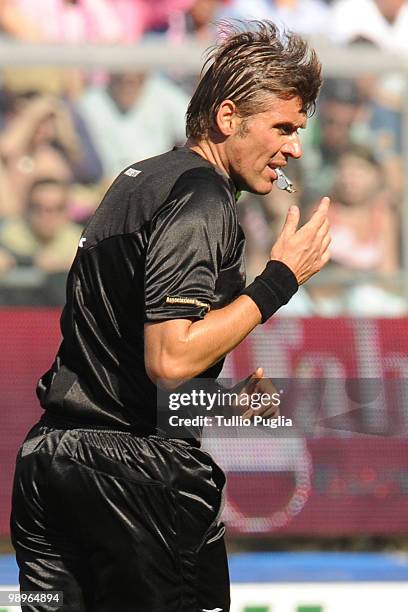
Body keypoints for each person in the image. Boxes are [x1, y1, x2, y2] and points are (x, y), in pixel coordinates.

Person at [11, 21, 330, 612]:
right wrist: (280, 280)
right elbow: (170, 357)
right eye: (283, 128)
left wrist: (226, 405)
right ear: (228, 118)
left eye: (300, 131)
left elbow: (117, 378)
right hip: (138, 485)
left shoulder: (136, 181)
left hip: (52, 463)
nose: (295, 148)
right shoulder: (203, 199)